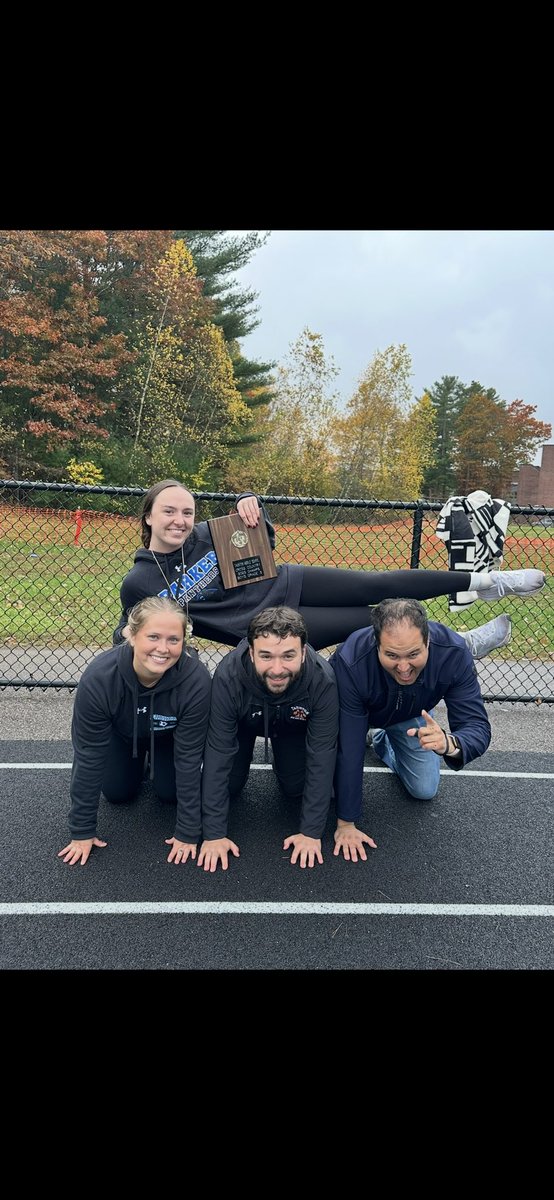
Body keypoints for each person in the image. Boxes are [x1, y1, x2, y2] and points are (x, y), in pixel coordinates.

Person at [113, 480, 545, 654]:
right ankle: (460, 646)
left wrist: (249, 503)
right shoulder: (141, 581)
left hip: (286, 582)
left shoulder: (206, 534)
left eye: (187, 512)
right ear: (148, 516)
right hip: (264, 623)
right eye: (169, 512)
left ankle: (487, 581)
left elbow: (261, 540)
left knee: (375, 585)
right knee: (372, 620)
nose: (180, 521)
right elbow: (127, 635)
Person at [329, 598, 493, 862]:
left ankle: (382, 740)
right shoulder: (351, 659)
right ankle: (374, 733)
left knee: (424, 789)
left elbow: (477, 725)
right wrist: (346, 823)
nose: (404, 668)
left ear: (428, 642)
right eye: (392, 655)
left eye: (413, 655)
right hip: (352, 714)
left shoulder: (453, 652)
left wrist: (449, 743)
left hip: (409, 717)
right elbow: (350, 749)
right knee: (330, 790)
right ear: (376, 644)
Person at [58, 596, 211, 867]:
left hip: (168, 737)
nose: (163, 649)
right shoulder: (99, 679)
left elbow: (189, 758)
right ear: (132, 635)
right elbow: (89, 755)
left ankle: (155, 761)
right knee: (117, 794)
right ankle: (136, 762)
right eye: (153, 636)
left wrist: (188, 832)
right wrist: (81, 830)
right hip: (123, 735)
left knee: (169, 794)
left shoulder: (196, 681)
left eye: (173, 640)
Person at [198, 607, 339, 871]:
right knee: (229, 786)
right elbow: (218, 751)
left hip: (292, 725)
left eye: (288, 656)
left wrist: (311, 833)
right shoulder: (228, 676)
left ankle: (283, 758)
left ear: (304, 652)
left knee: (295, 788)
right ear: (251, 653)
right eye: (266, 656)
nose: (277, 669)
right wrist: (214, 834)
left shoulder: (323, 681)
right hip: (244, 722)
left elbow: (322, 754)